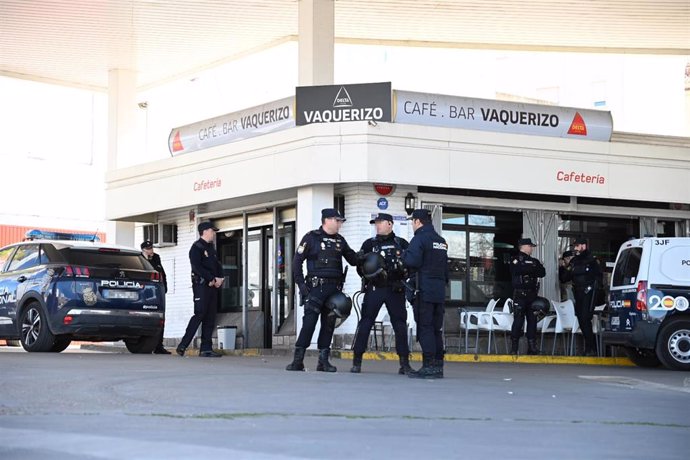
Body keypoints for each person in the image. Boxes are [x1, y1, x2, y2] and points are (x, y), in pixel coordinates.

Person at [286, 208, 360, 372]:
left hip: (334, 289)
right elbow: (297, 262)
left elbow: (353, 260)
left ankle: (323, 361)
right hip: (315, 288)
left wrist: (366, 256)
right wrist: (302, 286)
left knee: (328, 325)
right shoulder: (311, 238)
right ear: (327, 220)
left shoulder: (340, 240)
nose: (340, 224)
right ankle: (298, 360)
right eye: (338, 220)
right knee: (309, 324)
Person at [351, 213, 412, 375]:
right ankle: (357, 361)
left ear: (390, 224)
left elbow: (411, 265)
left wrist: (403, 275)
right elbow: (360, 267)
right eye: (375, 223)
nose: (377, 225)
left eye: (380, 222)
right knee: (365, 322)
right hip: (375, 289)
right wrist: (367, 273)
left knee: (400, 325)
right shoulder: (369, 244)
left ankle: (404, 363)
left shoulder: (401, 243)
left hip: (395, 289)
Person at [402, 209, 448, 379]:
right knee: (436, 329)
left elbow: (412, 261)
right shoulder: (441, 241)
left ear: (417, 222)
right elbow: (445, 268)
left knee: (425, 328)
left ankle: (428, 365)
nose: (412, 225)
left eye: (412, 221)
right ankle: (438, 365)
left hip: (424, 290)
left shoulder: (419, 238)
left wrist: (403, 255)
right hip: (439, 291)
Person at [176, 222, 224, 358]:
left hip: (213, 286)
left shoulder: (211, 248)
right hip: (202, 286)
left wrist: (220, 278)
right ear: (204, 231)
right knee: (199, 314)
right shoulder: (196, 248)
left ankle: (206, 348)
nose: (214, 233)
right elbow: (196, 267)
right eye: (212, 231)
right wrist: (211, 278)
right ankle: (183, 345)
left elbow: (217, 265)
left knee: (210, 317)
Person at [560, 237, 602, 356]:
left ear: (584, 246)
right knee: (581, 319)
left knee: (585, 318)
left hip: (588, 293)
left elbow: (599, 278)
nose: (575, 249)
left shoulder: (592, 261)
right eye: (575, 246)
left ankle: (591, 347)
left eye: (577, 246)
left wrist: (593, 291)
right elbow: (564, 278)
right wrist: (563, 267)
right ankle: (590, 347)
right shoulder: (574, 261)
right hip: (578, 293)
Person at [509, 238, 546, 355]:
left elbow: (542, 272)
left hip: (532, 295)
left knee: (532, 320)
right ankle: (514, 348)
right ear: (523, 246)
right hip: (520, 294)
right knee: (518, 320)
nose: (532, 248)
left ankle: (532, 347)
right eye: (530, 246)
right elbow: (516, 270)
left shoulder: (534, 261)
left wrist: (528, 268)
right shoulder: (515, 259)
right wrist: (531, 269)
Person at [141, 240, 170, 354]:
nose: (151, 251)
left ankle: (159, 346)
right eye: (148, 249)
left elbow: (162, 273)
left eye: (151, 248)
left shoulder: (156, 258)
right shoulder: (140, 259)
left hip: (157, 291)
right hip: (145, 292)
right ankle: (145, 344)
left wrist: (164, 288)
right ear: (143, 250)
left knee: (160, 318)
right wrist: (145, 259)